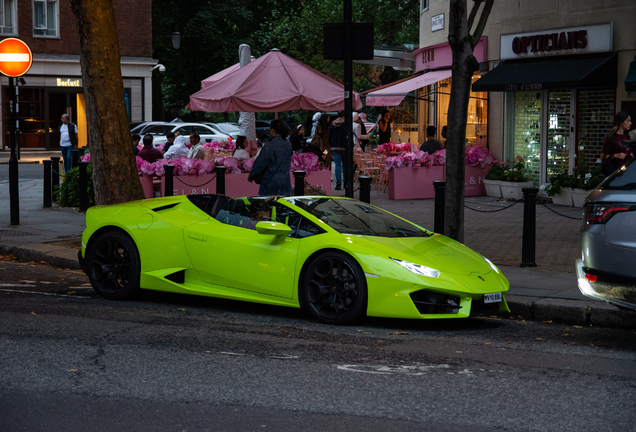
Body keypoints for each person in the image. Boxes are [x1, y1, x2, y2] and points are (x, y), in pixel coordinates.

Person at [248, 119, 293, 196]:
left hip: (270, 185)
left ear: (272, 130)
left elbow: (259, 163)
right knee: (282, 207)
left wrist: (251, 176)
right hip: (285, 185)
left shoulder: (269, 146)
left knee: (269, 207)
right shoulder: (288, 144)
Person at [329, 110, 347, 190]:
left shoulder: (332, 123)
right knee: (345, 165)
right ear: (344, 115)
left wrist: (330, 145)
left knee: (337, 165)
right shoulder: (346, 123)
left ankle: (338, 184)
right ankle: (346, 182)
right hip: (344, 146)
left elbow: (330, 135)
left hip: (334, 146)